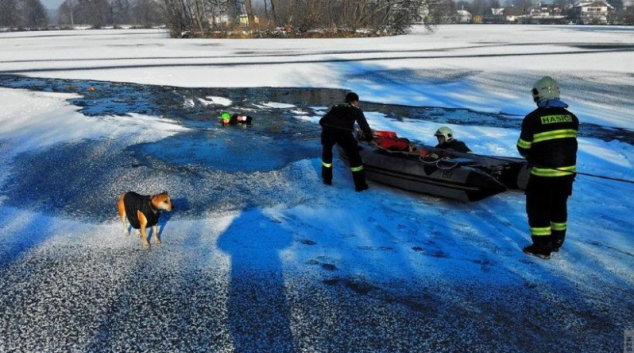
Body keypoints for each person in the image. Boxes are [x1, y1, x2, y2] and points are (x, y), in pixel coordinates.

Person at [517, 76, 579, 259]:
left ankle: (542, 247)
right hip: (567, 174)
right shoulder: (571, 118)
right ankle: (557, 241)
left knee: (538, 209)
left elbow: (523, 147)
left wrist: (532, 155)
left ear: (539, 94)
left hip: (542, 174)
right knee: (559, 206)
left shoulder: (532, 119)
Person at [319, 92, 373, 192]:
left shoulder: (336, 106)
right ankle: (360, 185)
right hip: (343, 134)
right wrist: (370, 138)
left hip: (327, 132)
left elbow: (322, 121)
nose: (357, 104)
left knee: (327, 155)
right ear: (355, 101)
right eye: (357, 102)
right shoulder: (356, 109)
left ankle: (327, 179)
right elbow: (364, 126)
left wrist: (327, 127)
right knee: (354, 157)